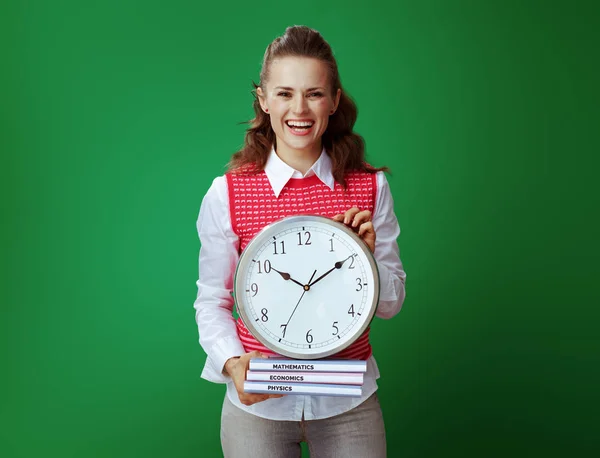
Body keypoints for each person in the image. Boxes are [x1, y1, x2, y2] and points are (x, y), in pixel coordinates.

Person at [193, 25, 406, 458]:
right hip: (258, 410)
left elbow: (392, 303)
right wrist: (233, 365)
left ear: (333, 101)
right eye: (285, 93)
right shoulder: (228, 192)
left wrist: (367, 260)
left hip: (349, 404)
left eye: (314, 93)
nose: (300, 108)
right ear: (264, 100)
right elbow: (211, 300)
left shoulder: (370, 187)